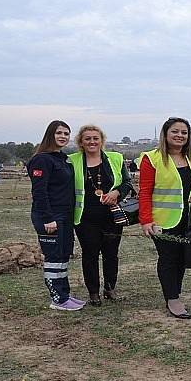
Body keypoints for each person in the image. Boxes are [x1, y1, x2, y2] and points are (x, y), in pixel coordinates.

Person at [138, 117, 191, 319]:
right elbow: (145, 191)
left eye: (184, 132)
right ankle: (172, 298)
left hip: (186, 218)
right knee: (168, 258)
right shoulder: (152, 158)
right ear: (165, 134)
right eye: (175, 131)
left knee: (182, 257)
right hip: (162, 220)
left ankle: (176, 292)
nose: (180, 135)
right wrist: (146, 220)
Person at [70, 125, 134, 306]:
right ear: (81, 142)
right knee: (90, 254)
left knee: (111, 253)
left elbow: (127, 183)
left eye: (95, 138)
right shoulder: (71, 161)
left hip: (112, 217)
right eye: (87, 138)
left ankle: (109, 288)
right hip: (85, 218)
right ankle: (93, 292)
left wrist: (117, 193)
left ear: (101, 140)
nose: (92, 141)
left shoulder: (115, 158)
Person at [27, 120, 85, 311]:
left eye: (66, 134)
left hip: (65, 216)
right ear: (50, 134)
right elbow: (40, 192)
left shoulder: (62, 158)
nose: (63, 137)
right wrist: (47, 218)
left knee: (63, 255)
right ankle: (57, 299)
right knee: (53, 258)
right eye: (59, 133)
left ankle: (64, 294)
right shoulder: (41, 159)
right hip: (51, 217)